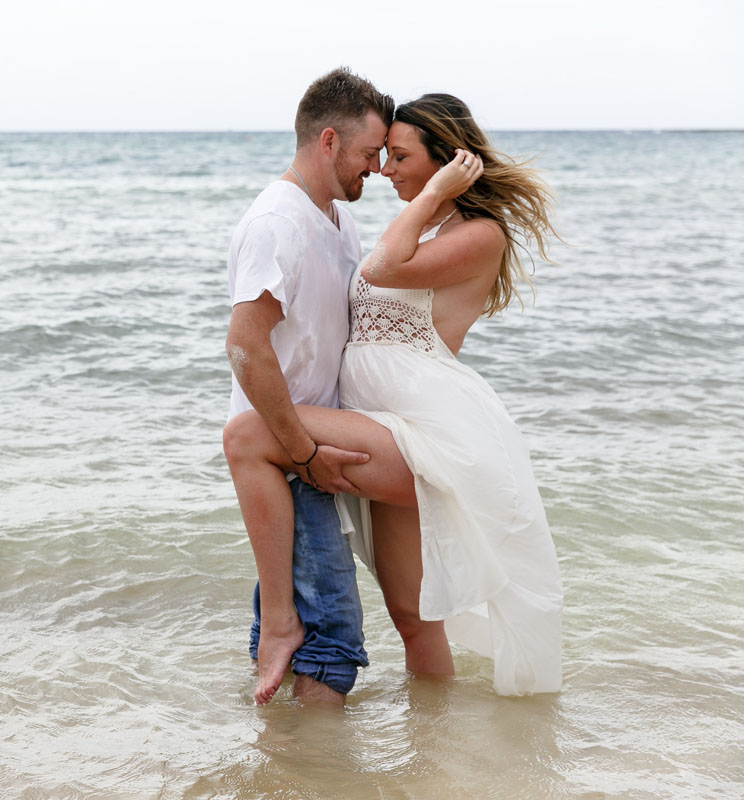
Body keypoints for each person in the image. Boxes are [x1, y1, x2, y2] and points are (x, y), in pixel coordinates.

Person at [224, 93, 564, 704]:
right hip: (381, 424)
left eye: (400, 156)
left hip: (427, 435)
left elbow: (380, 270)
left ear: (447, 160)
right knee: (413, 617)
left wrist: (433, 195)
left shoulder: (480, 234)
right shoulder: (417, 228)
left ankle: (280, 624)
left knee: (248, 433)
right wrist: (427, 201)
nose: (384, 169)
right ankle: (433, 741)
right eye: (382, 155)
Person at [224, 67, 394, 707]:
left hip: (308, 445)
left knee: (295, 624)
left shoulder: (336, 218)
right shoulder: (278, 222)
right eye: (369, 152)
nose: (377, 167)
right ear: (329, 141)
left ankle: (278, 747)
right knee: (332, 637)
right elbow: (246, 345)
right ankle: (314, 758)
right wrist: (303, 452)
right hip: (289, 453)